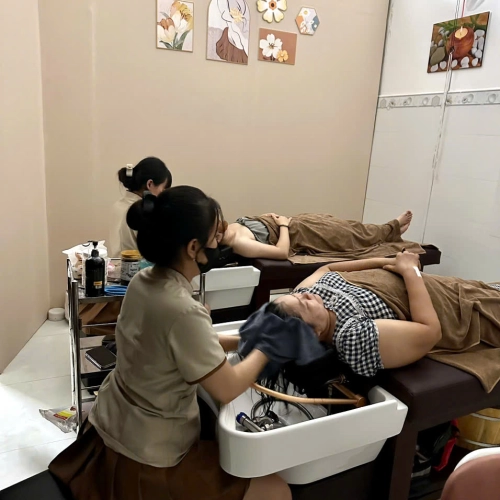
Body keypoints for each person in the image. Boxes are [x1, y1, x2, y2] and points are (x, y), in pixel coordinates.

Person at [49, 186, 291, 500]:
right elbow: (227, 387)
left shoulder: (143, 281)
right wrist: (269, 346)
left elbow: (183, 344)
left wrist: (245, 339)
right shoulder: (183, 309)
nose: (219, 243)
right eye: (215, 237)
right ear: (193, 247)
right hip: (147, 458)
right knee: (277, 491)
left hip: (110, 424)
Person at [266, 252, 500, 378]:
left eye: (297, 295)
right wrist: (410, 271)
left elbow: (325, 269)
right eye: (304, 304)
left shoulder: (304, 294)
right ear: (313, 335)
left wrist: (390, 262)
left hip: (440, 283)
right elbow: (430, 332)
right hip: (454, 306)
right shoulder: (353, 337)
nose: (306, 295)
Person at [218, 210, 414, 260]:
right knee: (350, 234)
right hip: (302, 234)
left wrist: (266, 217)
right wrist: (283, 225)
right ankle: (390, 229)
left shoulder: (230, 228)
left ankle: (390, 232)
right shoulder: (239, 243)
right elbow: (281, 252)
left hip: (299, 222)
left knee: (347, 225)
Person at [108, 156, 172, 258]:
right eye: (163, 189)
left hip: (115, 264)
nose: (163, 195)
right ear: (150, 184)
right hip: (134, 266)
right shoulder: (141, 212)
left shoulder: (118, 205)